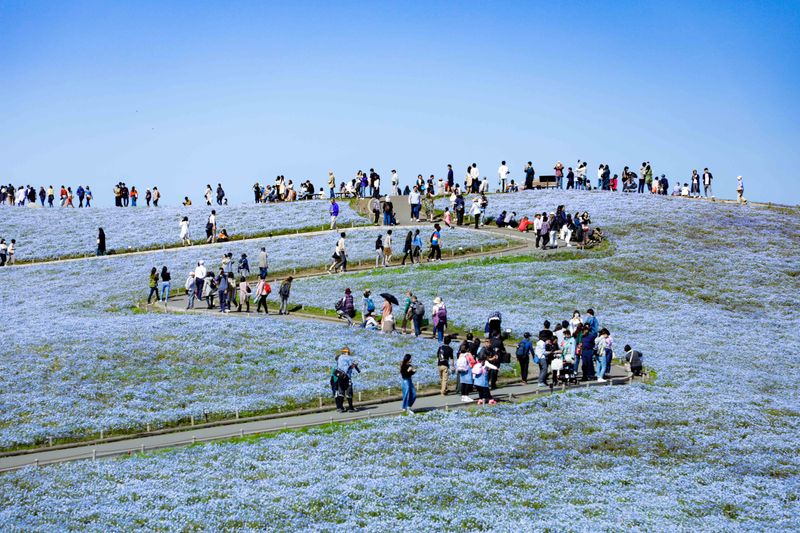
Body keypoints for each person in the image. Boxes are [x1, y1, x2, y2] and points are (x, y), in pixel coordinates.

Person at [334, 347, 360, 413]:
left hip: (340, 376)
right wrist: (354, 365)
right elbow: (354, 364)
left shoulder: (340, 357)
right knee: (349, 392)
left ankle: (340, 408)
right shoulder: (350, 358)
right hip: (347, 377)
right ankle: (351, 408)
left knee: (341, 392)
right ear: (348, 352)